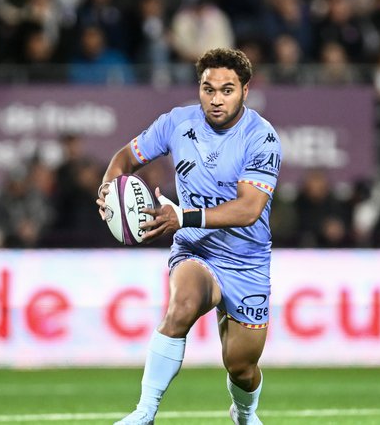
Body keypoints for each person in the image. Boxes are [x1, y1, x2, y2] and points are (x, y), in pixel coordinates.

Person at [98, 48, 281, 425]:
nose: (216, 99)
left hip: (247, 261)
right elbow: (124, 159)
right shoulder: (177, 123)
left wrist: (182, 215)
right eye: (208, 89)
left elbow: (248, 210)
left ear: (245, 91)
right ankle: (145, 412)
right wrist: (108, 190)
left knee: (241, 366)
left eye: (227, 90)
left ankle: (245, 413)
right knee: (182, 305)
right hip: (196, 248)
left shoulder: (262, 138)